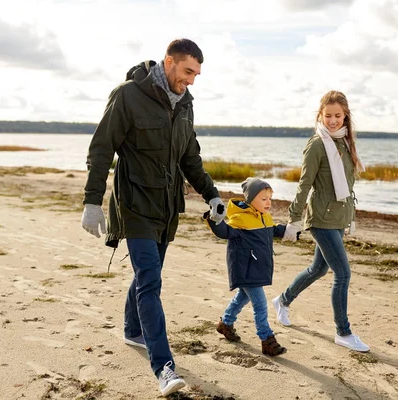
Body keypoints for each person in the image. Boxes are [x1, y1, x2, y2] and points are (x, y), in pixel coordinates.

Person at [81, 38, 227, 397]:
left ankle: (133, 330)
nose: (192, 80)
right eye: (188, 71)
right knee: (150, 280)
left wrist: (211, 195)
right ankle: (164, 367)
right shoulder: (128, 95)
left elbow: (190, 157)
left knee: (151, 275)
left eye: (197, 73)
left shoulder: (186, 105)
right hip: (134, 205)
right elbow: (101, 148)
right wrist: (91, 201)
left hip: (166, 208)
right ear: (169, 62)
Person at [273, 90, 370, 352]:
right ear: (321, 115)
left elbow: (347, 186)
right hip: (320, 220)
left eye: (338, 115)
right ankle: (343, 332)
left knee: (319, 269)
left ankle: (282, 300)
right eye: (328, 116)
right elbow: (305, 184)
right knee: (343, 273)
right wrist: (293, 219)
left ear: (346, 116)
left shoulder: (345, 143)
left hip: (338, 218)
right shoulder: (317, 144)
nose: (333, 120)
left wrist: (349, 217)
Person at [204, 178, 288, 357]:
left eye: (269, 198)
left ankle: (225, 323)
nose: (268, 203)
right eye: (263, 199)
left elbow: (271, 230)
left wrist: (286, 230)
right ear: (251, 200)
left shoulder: (264, 217)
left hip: (256, 267)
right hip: (246, 268)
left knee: (242, 298)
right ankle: (267, 340)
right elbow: (224, 232)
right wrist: (214, 219)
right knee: (260, 304)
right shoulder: (240, 219)